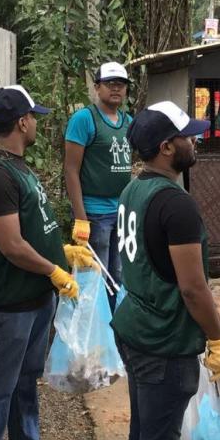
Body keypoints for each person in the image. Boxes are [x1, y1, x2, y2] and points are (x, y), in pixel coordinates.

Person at [0, 85, 92, 440]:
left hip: (35, 299)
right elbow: (12, 246)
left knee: (25, 378)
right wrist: (54, 270)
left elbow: (34, 228)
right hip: (9, 304)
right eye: (34, 116)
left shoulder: (16, 167)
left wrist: (64, 251)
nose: (37, 122)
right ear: (21, 122)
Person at [111, 101, 220, 440]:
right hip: (163, 342)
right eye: (187, 135)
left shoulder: (133, 190)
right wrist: (217, 337)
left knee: (142, 438)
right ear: (167, 147)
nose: (194, 140)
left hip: (133, 328)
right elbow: (193, 288)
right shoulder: (176, 205)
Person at [65, 62, 133, 305]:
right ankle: (92, 335)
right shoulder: (85, 119)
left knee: (119, 276)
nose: (116, 89)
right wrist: (81, 218)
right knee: (96, 278)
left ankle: (112, 332)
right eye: (110, 83)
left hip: (122, 213)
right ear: (97, 87)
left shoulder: (128, 121)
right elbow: (71, 169)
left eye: (121, 84)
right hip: (96, 213)